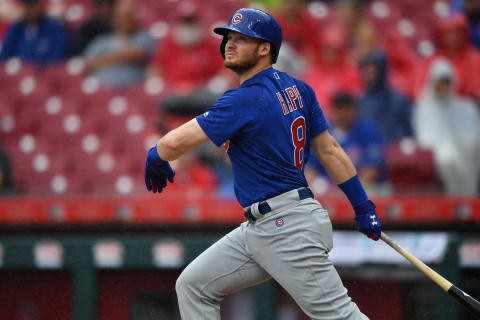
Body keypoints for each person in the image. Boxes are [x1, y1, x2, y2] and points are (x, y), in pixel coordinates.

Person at [144, 8, 381, 319]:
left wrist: (156, 156)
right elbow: (330, 150)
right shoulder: (299, 89)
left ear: (264, 48)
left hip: (286, 225)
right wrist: (362, 206)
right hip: (266, 224)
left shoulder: (244, 98)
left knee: (341, 316)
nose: (229, 44)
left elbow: (173, 142)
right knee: (193, 285)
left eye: (241, 39)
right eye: (228, 38)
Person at [413, 58, 480, 195]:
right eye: (440, 82)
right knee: (446, 160)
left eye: (446, 82)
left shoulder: (466, 108)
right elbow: (425, 140)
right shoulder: (424, 108)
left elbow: (473, 135)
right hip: (438, 164)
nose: (443, 86)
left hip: (466, 159)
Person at [309, 92, 385, 192]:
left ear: (354, 110)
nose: (343, 113)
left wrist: (351, 192)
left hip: (362, 189)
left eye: (346, 109)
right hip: (327, 191)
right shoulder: (321, 134)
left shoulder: (368, 132)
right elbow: (309, 169)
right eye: (339, 109)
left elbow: (372, 170)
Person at [83, 0, 155, 88]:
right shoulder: (101, 41)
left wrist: (109, 58)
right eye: (120, 18)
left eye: (128, 17)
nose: (124, 21)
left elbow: (140, 53)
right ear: (114, 20)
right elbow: (88, 63)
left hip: (133, 89)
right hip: (103, 89)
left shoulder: (143, 37)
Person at [357, 48, 413, 142]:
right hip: (367, 154)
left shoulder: (400, 101)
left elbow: (408, 134)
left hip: (393, 151)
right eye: (367, 68)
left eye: (374, 68)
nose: (370, 73)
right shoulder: (358, 101)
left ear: (383, 70)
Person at [0, 0, 68, 65]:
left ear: (40, 5)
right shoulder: (17, 27)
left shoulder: (54, 26)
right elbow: (3, 56)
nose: (31, 10)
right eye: (27, 6)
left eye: (33, 5)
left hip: (45, 74)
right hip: (20, 72)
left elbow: (57, 59)